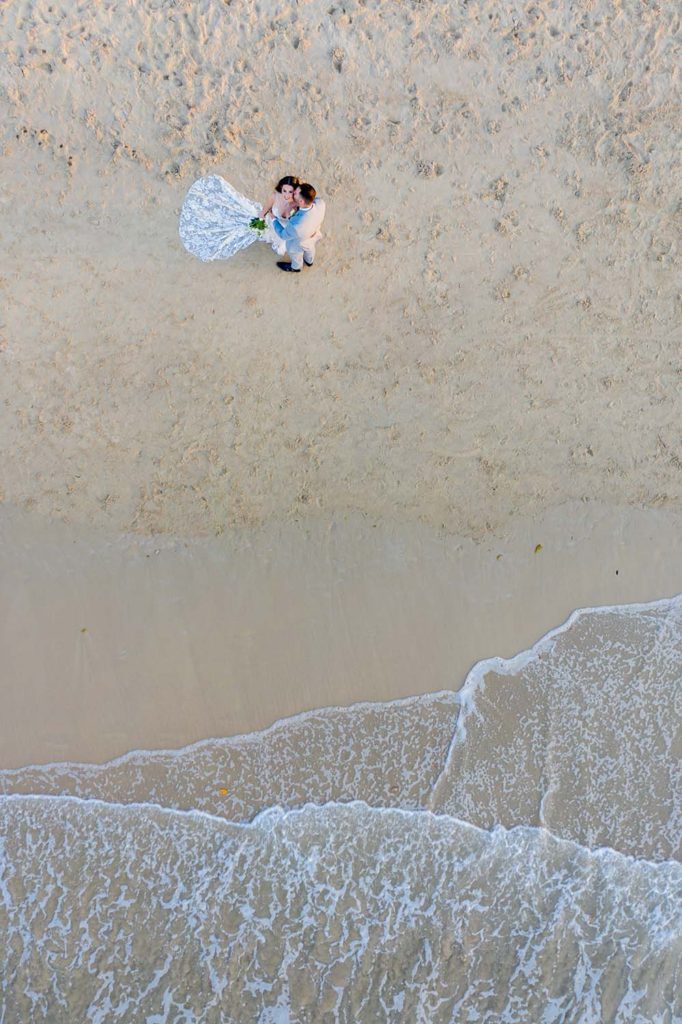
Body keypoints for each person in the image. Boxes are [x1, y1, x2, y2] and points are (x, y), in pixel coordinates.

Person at [272, 184, 326, 272]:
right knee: (310, 248)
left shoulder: (297, 226)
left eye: (295, 193)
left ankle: (296, 268)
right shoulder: (321, 203)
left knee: (296, 255)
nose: (293, 193)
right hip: (314, 234)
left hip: (299, 242)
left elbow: (283, 235)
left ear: (301, 201)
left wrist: (273, 219)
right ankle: (309, 261)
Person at [260, 175, 300, 256]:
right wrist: (261, 220)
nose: (286, 195)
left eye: (290, 192)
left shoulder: (298, 202)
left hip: (286, 227)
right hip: (273, 222)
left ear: (295, 191)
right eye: (284, 190)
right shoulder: (274, 196)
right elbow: (264, 210)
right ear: (281, 187)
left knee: (282, 248)